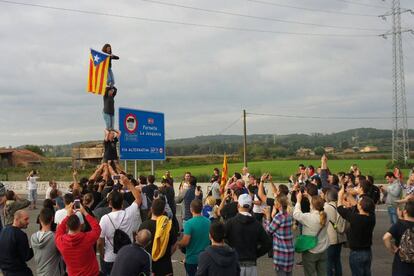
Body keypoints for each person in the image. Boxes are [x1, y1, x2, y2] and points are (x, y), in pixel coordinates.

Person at [98, 175, 142, 275]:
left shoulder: (105, 219)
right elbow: (138, 198)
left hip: (110, 257)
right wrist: (128, 183)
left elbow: (100, 242)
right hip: (128, 255)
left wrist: (102, 254)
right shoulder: (129, 213)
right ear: (122, 203)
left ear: (109, 203)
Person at [225, 194, 271, 276]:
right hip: (251, 264)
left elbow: (221, 239)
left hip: (235, 262)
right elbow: (268, 243)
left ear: (238, 205)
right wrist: (256, 254)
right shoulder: (257, 224)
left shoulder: (230, 223)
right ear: (251, 206)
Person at [337, 185, 376, 276]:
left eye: (359, 202)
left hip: (356, 253)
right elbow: (355, 206)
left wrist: (340, 195)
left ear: (361, 207)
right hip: (367, 251)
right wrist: (348, 195)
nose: (357, 203)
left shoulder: (356, 218)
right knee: (367, 272)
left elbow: (340, 209)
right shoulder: (371, 217)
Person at [55, 203, 101, 276]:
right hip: (92, 273)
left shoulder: (61, 242)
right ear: (80, 225)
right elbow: (97, 228)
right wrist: (85, 213)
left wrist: (67, 216)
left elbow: (59, 231)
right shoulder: (86, 238)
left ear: (67, 227)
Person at [139, 198, 178, 276]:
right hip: (165, 266)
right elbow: (175, 244)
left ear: (151, 209)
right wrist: (166, 254)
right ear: (163, 211)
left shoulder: (144, 225)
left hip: (148, 265)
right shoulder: (168, 225)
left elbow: (139, 246)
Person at [293, 192, 329, 276]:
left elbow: (296, 214)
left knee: (309, 273)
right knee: (323, 273)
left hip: (311, 250)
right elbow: (316, 207)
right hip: (323, 249)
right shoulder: (326, 215)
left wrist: (298, 201)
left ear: (311, 206)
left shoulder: (308, 217)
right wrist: (310, 197)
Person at [177, 199, 211, 276]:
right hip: (206, 258)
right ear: (202, 208)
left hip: (192, 259)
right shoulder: (208, 222)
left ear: (191, 209)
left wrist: (178, 244)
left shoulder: (189, 223)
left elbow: (185, 242)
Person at [263, 194, 294, 276]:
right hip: (289, 252)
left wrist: (268, 217)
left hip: (281, 253)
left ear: (278, 204)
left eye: (275, 202)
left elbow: (268, 231)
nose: (273, 204)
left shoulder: (279, 217)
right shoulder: (289, 215)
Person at [383, 199, 414, 275]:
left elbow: (386, 237)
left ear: (405, 212)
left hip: (401, 262)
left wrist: (393, 249)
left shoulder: (400, 225)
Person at [31, 208, 64, 276]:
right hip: (54, 273)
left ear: (40, 220)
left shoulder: (33, 237)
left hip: (40, 272)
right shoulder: (55, 237)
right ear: (52, 219)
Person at [0, 210, 33, 275]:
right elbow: (26, 256)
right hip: (17, 271)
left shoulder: (4, 230)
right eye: (25, 219)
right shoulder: (20, 235)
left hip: (5, 270)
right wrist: (34, 247)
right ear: (17, 219)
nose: (28, 222)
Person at [324, 188, 345, 276]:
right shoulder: (340, 206)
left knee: (328, 261)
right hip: (339, 238)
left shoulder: (327, 207)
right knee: (337, 260)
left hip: (330, 239)